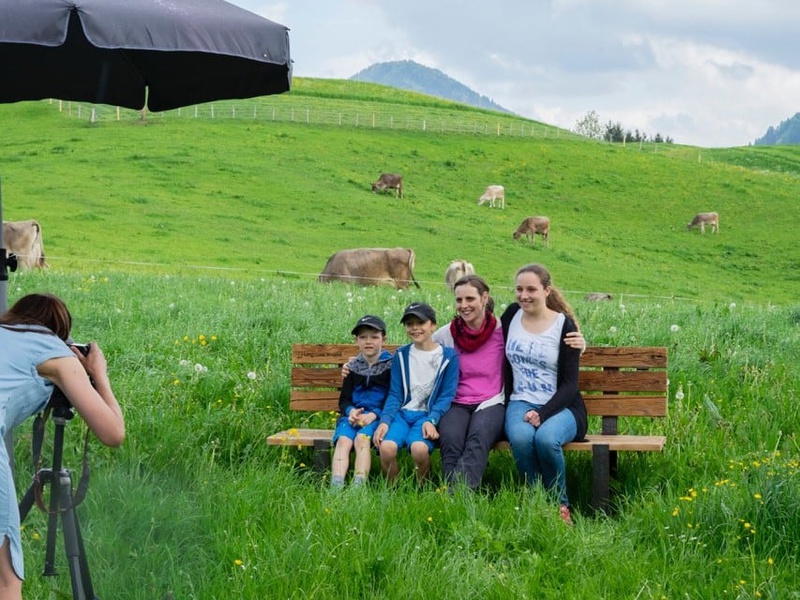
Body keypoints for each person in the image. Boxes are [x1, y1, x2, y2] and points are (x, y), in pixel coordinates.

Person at [0, 293, 125, 599]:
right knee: (4, 582)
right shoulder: (55, 350)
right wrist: (98, 374)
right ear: (61, 332)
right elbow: (113, 433)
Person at [435, 274, 587, 491]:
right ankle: (455, 493)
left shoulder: (510, 327)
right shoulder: (459, 330)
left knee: (494, 437)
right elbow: (425, 346)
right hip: (486, 401)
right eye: (459, 300)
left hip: (516, 403)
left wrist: (580, 345)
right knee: (458, 436)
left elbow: (544, 351)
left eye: (470, 299)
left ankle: (557, 501)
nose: (464, 305)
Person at [501, 264, 587, 525]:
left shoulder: (564, 325)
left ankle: (560, 507)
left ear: (547, 290)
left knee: (547, 439)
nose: (524, 295)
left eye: (531, 289)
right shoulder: (511, 315)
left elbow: (571, 384)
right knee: (522, 437)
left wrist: (543, 412)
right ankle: (537, 501)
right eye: (519, 289)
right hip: (520, 400)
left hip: (562, 406)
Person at [372, 303, 459, 483]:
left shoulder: (449, 357)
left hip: (426, 416)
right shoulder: (401, 355)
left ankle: (423, 488)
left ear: (433, 325)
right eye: (410, 324)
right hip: (402, 415)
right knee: (387, 449)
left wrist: (432, 419)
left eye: (421, 323)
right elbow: (395, 393)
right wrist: (385, 421)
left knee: (419, 449)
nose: (415, 328)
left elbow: (446, 396)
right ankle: (393, 490)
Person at [331, 315, 393, 487]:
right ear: (356, 340)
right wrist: (350, 411)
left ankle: (359, 486)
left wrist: (373, 415)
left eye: (374, 337)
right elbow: (344, 399)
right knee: (343, 441)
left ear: (384, 339)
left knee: (362, 439)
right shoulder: (353, 367)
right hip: (352, 416)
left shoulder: (390, 365)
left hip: (376, 418)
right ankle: (336, 485)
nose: (368, 341)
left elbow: (392, 397)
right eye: (363, 337)